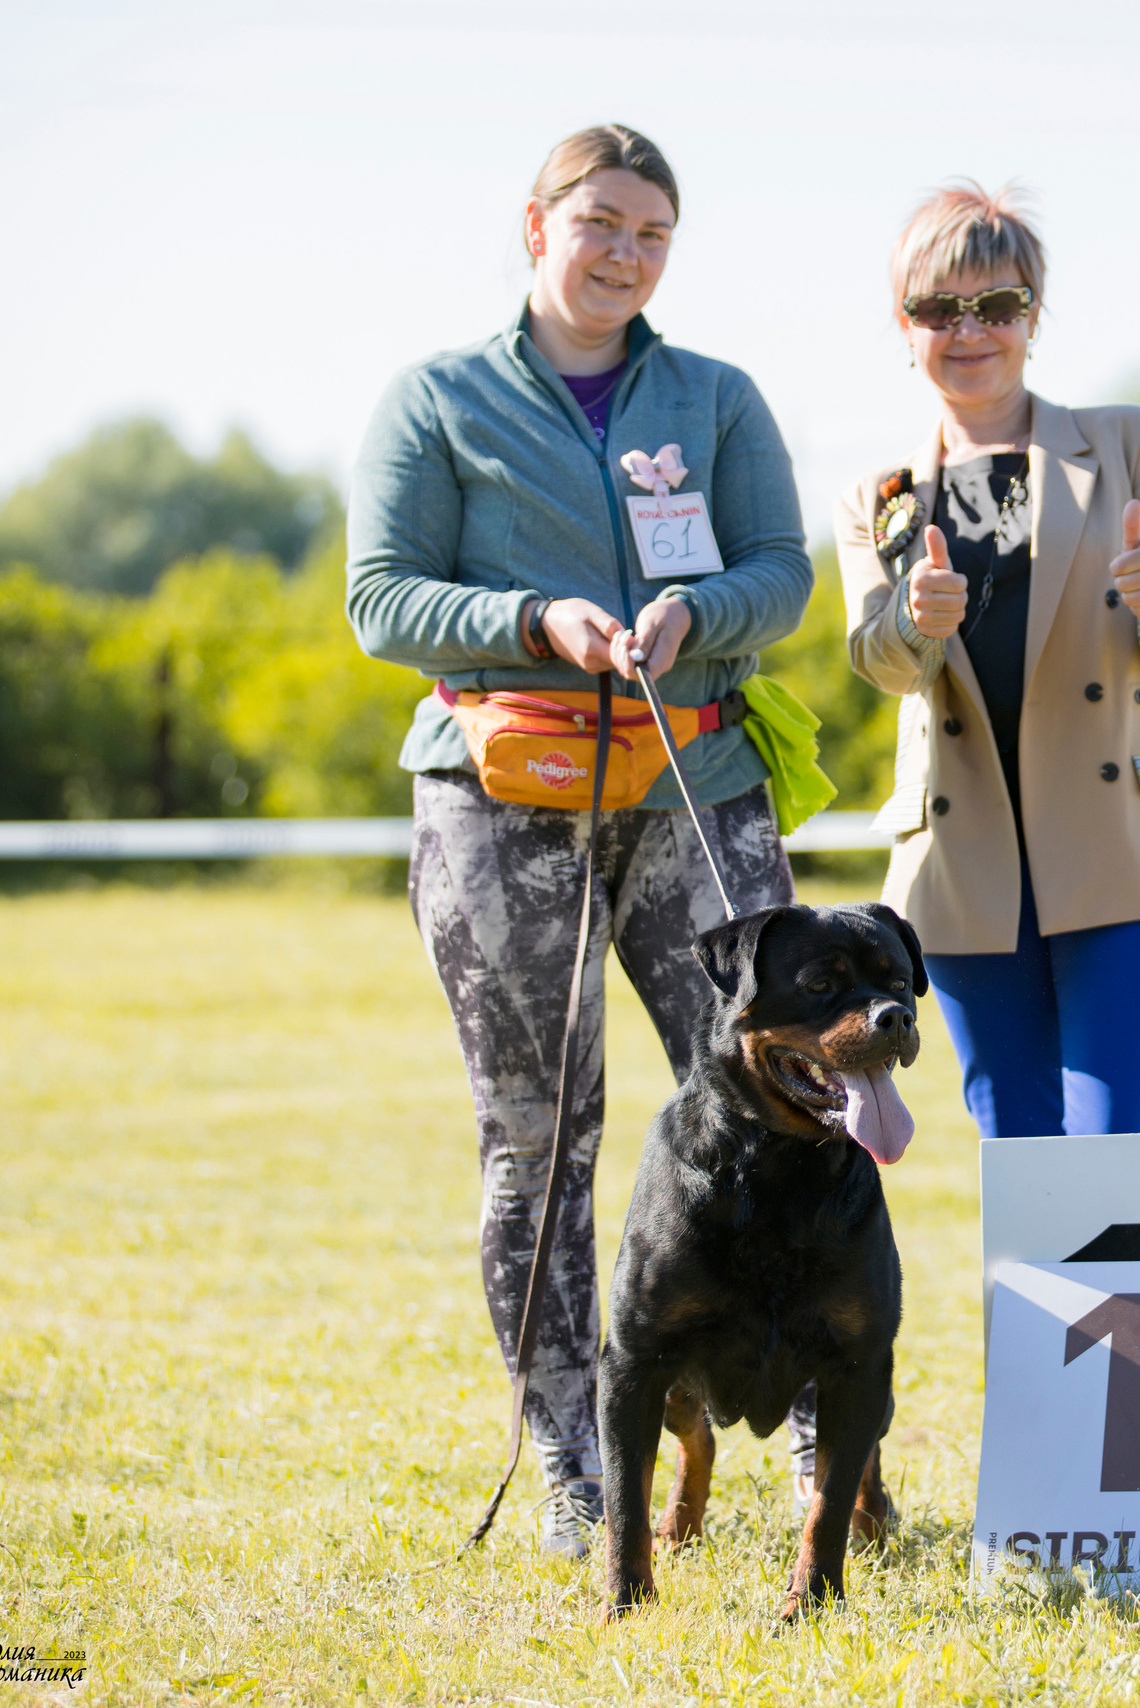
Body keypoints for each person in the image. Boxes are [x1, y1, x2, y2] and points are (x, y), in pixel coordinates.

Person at [344, 124, 809, 1560]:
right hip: (501, 802)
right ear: (536, 222)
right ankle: (572, 1462)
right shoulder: (434, 399)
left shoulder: (717, 397)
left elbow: (779, 570)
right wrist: (535, 619)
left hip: (697, 783)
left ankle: (817, 1449)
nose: (624, 252)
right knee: (541, 1144)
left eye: (653, 233)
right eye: (601, 221)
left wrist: (702, 612)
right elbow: (380, 600)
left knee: (780, 1109)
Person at [836, 182, 1140, 1143]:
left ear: (1035, 314)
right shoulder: (878, 493)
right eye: (941, 308)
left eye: (999, 305)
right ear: (904, 326)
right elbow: (882, 663)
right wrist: (915, 617)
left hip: (1128, 842)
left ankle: (1131, 1307)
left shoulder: (1132, 440)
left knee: (1121, 1129)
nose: (970, 329)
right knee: (1014, 1136)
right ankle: (1035, 1305)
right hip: (966, 862)